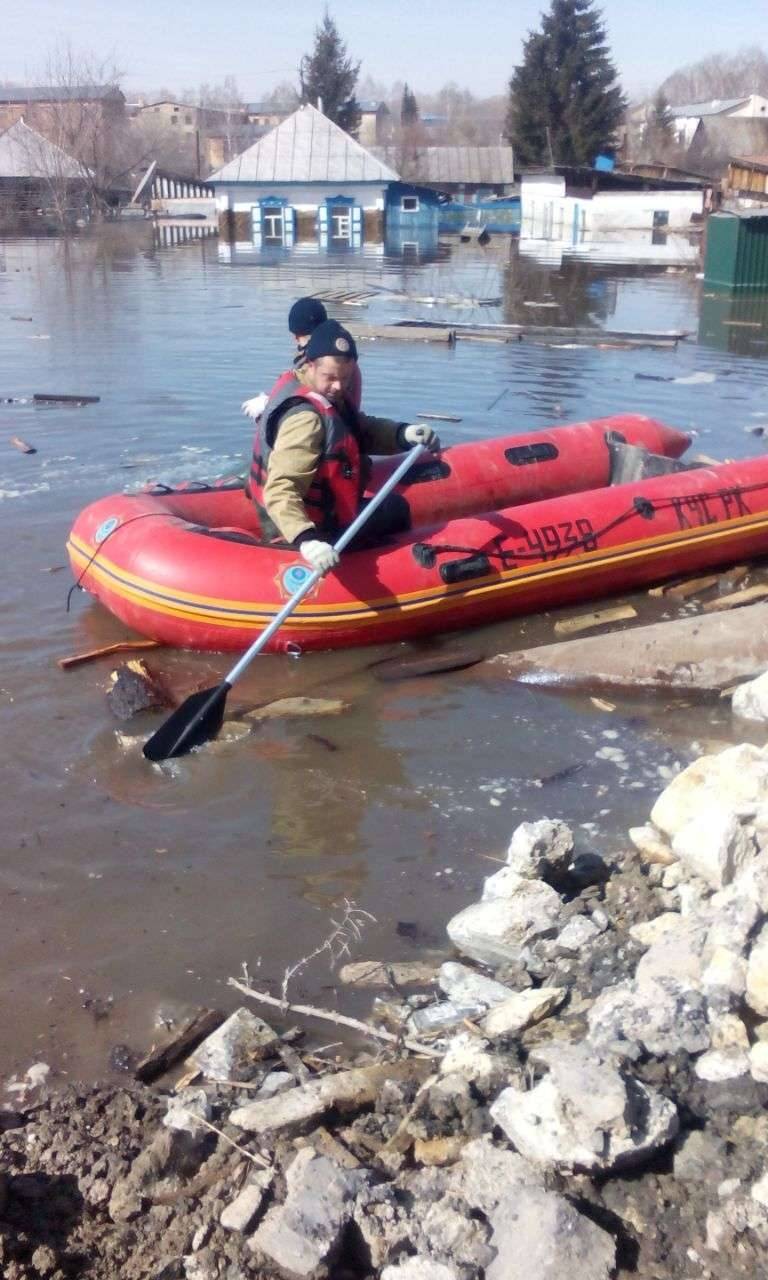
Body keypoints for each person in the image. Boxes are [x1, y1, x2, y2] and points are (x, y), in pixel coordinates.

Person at [247, 318, 439, 573]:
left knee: (386, 506)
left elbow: (359, 428)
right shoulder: (306, 421)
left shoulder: (311, 387)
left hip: (299, 514)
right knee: (396, 509)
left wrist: (404, 433)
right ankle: (396, 571)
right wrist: (307, 540)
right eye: (331, 377)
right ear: (311, 365)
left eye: (345, 378)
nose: (339, 386)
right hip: (303, 528)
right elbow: (281, 489)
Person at [241, 296, 361, 421]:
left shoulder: (329, 366)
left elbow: (315, 401)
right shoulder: (345, 361)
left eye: (299, 336)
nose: (296, 340)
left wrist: (268, 404)